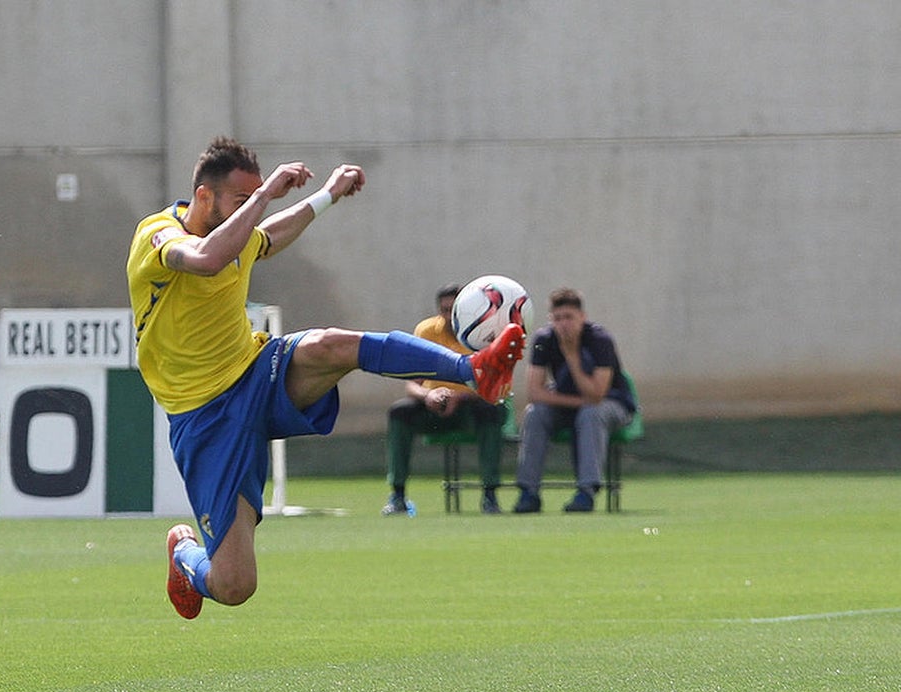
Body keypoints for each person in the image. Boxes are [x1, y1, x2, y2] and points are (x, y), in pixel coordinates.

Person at [126, 136, 525, 617]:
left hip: (256, 373)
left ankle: (474, 369)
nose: (247, 210)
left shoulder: (236, 230)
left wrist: (327, 195)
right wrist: (266, 194)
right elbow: (207, 260)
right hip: (205, 416)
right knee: (234, 584)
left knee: (332, 344)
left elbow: (267, 237)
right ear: (204, 197)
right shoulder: (158, 235)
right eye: (238, 200)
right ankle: (185, 554)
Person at [383, 284, 508, 516]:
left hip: (470, 408)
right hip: (434, 406)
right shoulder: (427, 331)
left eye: (454, 309)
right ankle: (397, 496)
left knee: (491, 412)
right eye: (444, 310)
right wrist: (428, 395)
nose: (449, 316)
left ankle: (490, 496)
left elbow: (495, 384)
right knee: (399, 412)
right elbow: (412, 384)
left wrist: (459, 396)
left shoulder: (484, 333)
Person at [512, 287, 635, 514]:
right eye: (557, 318)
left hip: (611, 404)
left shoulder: (600, 340)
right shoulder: (543, 339)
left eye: (569, 317)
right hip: (572, 404)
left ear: (582, 317)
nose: (563, 324)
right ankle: (528, 493)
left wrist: (571, 356)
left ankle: (586, 492)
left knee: (591, 414)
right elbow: (534, 392)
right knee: (535, 413)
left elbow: (597, 394)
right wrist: (578, 403)